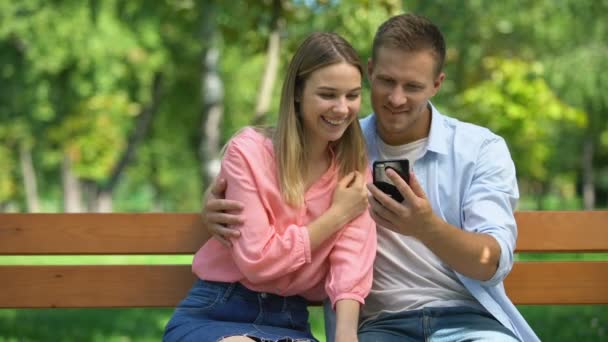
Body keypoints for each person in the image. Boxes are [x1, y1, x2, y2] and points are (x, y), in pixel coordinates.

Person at [203, 13, 540, 342]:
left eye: (412, 87)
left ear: (437, 84)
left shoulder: (480, 149)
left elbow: (491, 262)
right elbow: (274, 170)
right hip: (382, 325)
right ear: (370, 72)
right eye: (386, 82)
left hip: (469, 319)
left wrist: (425, 226)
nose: (396, 99)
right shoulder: (341, 143)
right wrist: (214, 200)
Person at [163, 32, 377, 342]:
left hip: (290, 322)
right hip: (217, 311)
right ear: (298, 93)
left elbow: (351, 264)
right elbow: (258, 262)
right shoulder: (248, 152)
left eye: (352, 95)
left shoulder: (354, 171)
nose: (342, 108)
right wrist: (337, 215)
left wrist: (346, 336)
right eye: (328, 95)